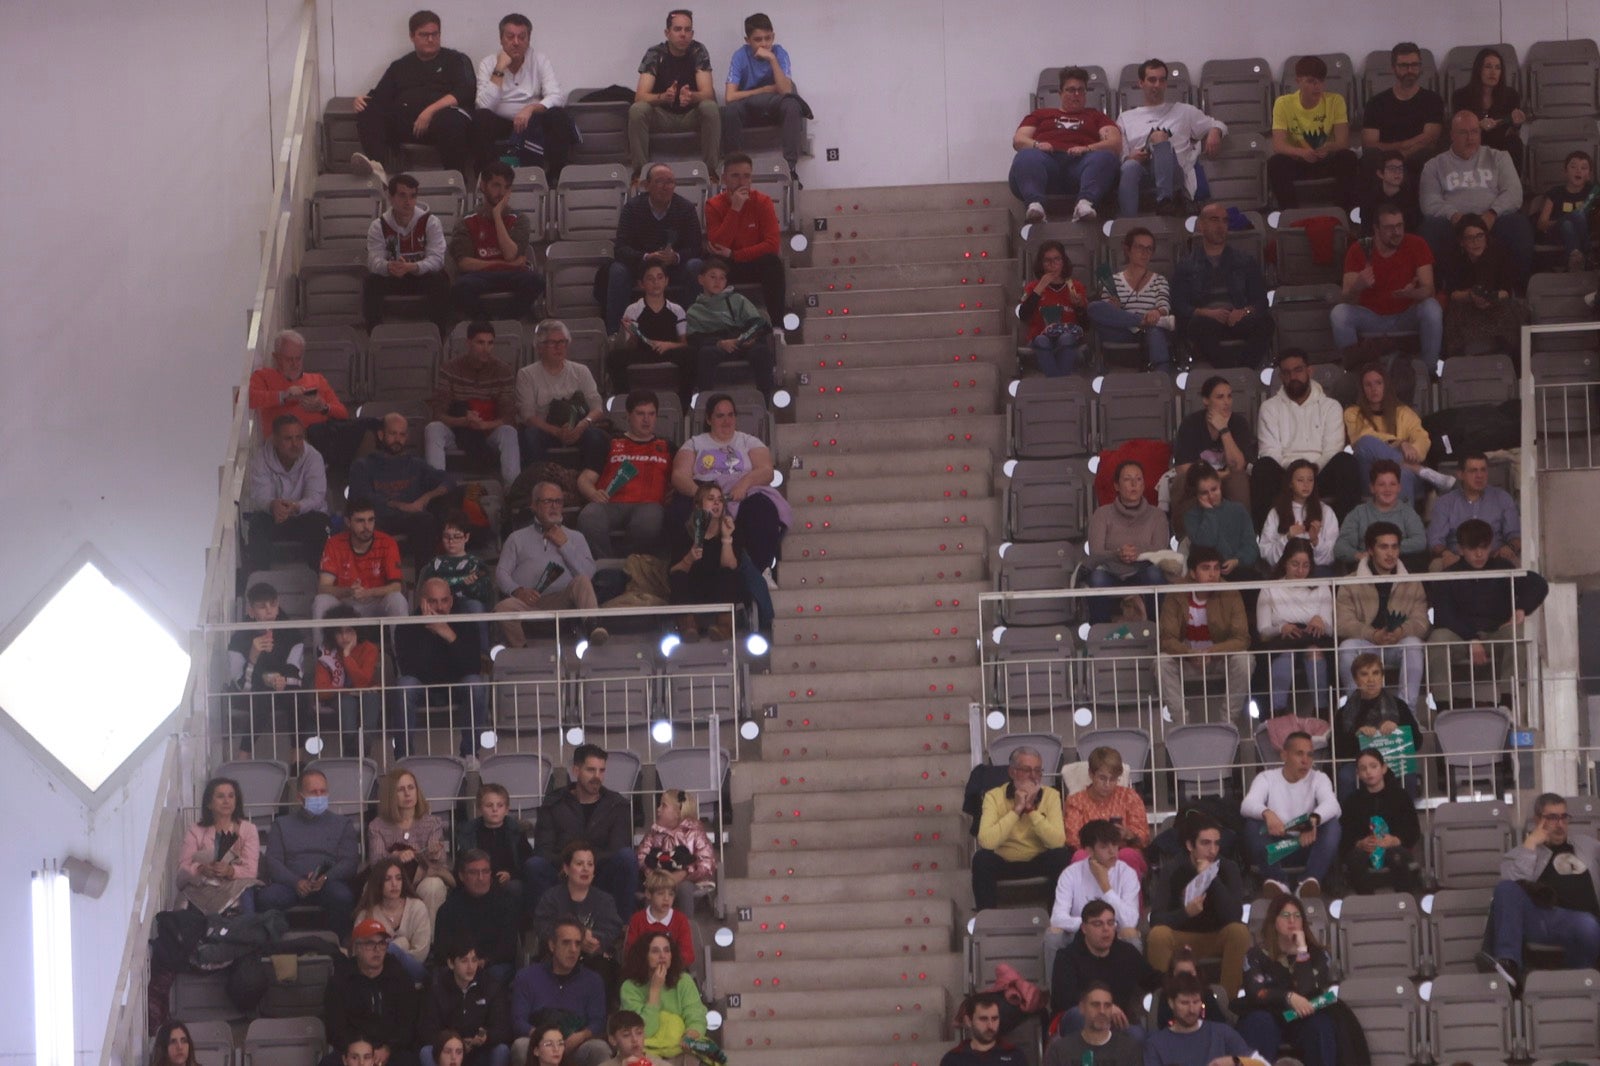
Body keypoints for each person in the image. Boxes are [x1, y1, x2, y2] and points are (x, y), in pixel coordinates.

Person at [1477, 792, 1600, 989]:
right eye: (1551, 818)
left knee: (1589, 924)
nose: (1559, 824)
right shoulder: (1521, 853)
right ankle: (1508, 964)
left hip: (1588, 920)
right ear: (1537, 820)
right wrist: (1531, 845)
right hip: (1545, 919)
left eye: (1563, 817)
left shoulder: (1586, 845)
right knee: (1505, 887)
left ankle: (1582, 983)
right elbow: (1508, 894)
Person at [670, 392, 789, 594]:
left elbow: (766, 470)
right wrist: (702, 494)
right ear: (709, 419)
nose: (727, 421)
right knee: (679, 510)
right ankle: (684, 570)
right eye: (720, 416)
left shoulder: (748, 441)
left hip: (742, 490)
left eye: (731, 415)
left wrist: (744, 484)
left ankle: (760, 570)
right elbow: (679, 475)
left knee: (762, 510)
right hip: (705, 489)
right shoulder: (695, 443)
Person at [1426, 517, 1549, 709]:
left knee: (1517, 634)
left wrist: (1521, 607)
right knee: (1438, 638)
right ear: (1460, 549)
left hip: (1496, 632)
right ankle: (1443, 706)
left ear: (1491, 545)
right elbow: (1444, 615)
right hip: (1461, 636)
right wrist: (1471, 639)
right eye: (1472, 548)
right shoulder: (1449, 574)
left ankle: (1508, 703)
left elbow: (1538, 584)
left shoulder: (1502, 567)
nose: (1479, 554)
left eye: (1483, 547)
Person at [1236, 894, 1368, 1066]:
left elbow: (1309, 990)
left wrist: (1302, 950)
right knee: (1259, 1022)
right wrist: (1289, 997)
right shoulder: (1255, 955)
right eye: (1285, 915)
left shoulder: (1320, 955)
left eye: (1297, 916)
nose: (1292, 920)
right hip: (1269, 1013)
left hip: (1302, 1016)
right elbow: (1256, 992)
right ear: (1273, 921)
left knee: (1321, 1026)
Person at [351, 10, 474, 180]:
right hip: (410, 123)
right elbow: (380, 96)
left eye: (435, 34)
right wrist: (360, 100)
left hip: (445, 121)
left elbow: (466, 90)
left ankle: (455, 179)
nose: (431, 39)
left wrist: (430, 111)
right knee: (368, 108)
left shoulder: (457, 60)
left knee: (450, 121)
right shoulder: (400, 66)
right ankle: (377, 169)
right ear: (412, 36)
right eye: (424, 35)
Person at [1251, 348, 1362, 525]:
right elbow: (1269, 451)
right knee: (1262, 467)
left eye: (1298, 370)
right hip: (1285, 475)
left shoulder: (1331, 406)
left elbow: (1333, 450)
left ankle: (1345, 535)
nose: (1293, 376)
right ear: (1281, 377)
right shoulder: (1269, 407)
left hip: (1320, 473)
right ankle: (1267, 540)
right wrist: (1296, 472)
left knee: (1346, 463)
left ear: (1309, 371)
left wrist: (1309, 472)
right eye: (1286, 372)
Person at [1419, 111, 1532, 282]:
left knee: (1519, 224)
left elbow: (1514, 194)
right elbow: (1429, 202)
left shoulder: (1499, 157)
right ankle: (1441, 291)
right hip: (1454, 222)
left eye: (1474, 132)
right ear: (1452, 135)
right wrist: (1454, 216)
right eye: (1463, 133)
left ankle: (1516, 290)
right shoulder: (1434, 165)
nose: (1470, 138)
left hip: (1492, 219)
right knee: (1430, 228)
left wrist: (1492, 213)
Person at [1147, 814, 1251, 999]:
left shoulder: (1228, 868)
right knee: (1158, 935)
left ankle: (1228, 1004)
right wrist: (1185, 913)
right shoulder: (1173, 868)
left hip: (1216, 936)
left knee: (1239, 932)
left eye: (1216, 843)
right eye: (1205, 843)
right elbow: (1156, 918)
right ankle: (1163, 1001)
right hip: (1181, 937)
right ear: (1190, 845)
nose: (1212, 850)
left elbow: (1235, 915)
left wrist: (1212, 879)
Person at [530, 745, 638, 919]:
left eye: (601, 770)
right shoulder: (554, 803)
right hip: (563, 873)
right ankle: (547, 932)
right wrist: (572, 866)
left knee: (627, 857)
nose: (597, 776)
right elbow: (543, 848)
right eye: (591, 770)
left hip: (601, 873)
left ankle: (623, 928)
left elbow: (618, 848)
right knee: (535, 865)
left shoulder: (617, 805)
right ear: (576, 770)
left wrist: (587, 866)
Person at [494, 481, 605, 648]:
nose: (554, 506)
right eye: (547, 501)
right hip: (528, 602)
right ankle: (522, 650)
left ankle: (594, 629)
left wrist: (565, 545)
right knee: (503, 607)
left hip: (564, 600)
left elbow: (588, 573)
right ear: (534, 506)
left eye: (558, 501)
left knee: (582, 581)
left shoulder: (576, 537)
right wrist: (518, 591)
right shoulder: (516, 538)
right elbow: (501, 573)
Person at [1331, 200, 1442, 364]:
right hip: (1371, 317)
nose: (1396, 232)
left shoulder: (1417, 244)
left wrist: (1412, 293)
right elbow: (1346, 299)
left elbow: (1429, 290)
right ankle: (1354, 370)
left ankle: (1429, 372)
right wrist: (1358, 286)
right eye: (1390, 228)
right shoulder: (1359, 249)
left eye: (1400, 226)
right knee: (1339, 314)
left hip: (1405, 314)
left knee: (1432, 308)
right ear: (1376, 229)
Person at [1335, 521, 1429, 710]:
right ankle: (1358, 711)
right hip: (1367, 643)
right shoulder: (1349, 582)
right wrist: (1372, 634)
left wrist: (1401, 631)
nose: (1390, 553)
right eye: (1383, 547)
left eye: (1394, 547)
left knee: (1413, 644)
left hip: (1397, 642)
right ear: (1370, 550)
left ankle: (1407, 712)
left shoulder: (1411, 581)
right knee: (1346, 648)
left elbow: (1422, 622)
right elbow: (1343, 623)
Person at [1009, 67, 1122, 225]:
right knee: (1025, 155)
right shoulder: (1041, 115)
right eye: (1070, 90)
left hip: (1082, 165)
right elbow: (1019, 140)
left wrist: (1087, 148)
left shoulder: (1096, 116)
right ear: (1060, 92)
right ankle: (1035, 205)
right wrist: (1037, 144)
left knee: (1106, 157)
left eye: (1080, 90)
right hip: (1047, 164)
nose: (1076, 94)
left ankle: (1084, 204)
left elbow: (1114, 144)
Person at [1114, 57, 1225, 217]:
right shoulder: (1126, 117)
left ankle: (1165, 201)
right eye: (1152, 80)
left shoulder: (1184, 111)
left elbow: (1219, 124)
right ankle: (1127, 222)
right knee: (1129, 167)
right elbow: (1122, 157)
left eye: (1161, 80)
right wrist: (1130, 157)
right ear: (1141, 83)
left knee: (1159, 136)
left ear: (1166, 83)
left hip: (1175, 172)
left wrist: (1215, 131)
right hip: (1143, 172)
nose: (1157, 85)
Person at [472, 13, 574, 184]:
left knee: (558, 115)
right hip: (500, 122)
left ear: (528, 39)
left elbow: (557, 96)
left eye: (522, 37)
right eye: (510, 37)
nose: (516, 42)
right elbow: (484, 105)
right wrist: (499, 68)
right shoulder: (488, 63)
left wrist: (531, 108)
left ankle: (555, 177)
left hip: (531, 121)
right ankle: (488, 178)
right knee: (481, 118)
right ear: (501, 39)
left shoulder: (540, 60)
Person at [349, 412, 458, 572]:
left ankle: (426, 580)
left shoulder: (415, 464)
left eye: (402, 435)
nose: (397, 439)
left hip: (413, 520)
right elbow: (362, 499)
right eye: (393, 434)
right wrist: (401, 506)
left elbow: (448, 480)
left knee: (435, 512)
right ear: (381, 435)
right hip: (379, 519)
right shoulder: (363, 466)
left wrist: (426, 498)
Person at [605, 164, 706, 333]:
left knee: (695, 266)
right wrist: (646, 257)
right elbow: (621, 248)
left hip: (673, 267)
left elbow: (696, 248)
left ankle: (693, 329)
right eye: (659, 181)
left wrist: (676, 257)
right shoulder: (632, 208)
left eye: (670, 182)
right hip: (640, 265)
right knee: (617, 271)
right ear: (646, 185)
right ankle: (615, 333)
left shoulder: (686, 208)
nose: (666, 186)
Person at [248, 329, 369, 470]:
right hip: (293, 439)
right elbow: (245, 399)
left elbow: (343, 413)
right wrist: (283, 396)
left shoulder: (317, 379)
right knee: (310, 434)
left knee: (369, 425)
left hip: (325, 435)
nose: (295, 364)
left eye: (298, 358)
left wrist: (323, 408)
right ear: (276, 357)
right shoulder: (265, 376)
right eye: (289, 359)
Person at [1171, 202, 1273, 369]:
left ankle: (1244, 369)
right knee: (1196, 325)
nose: (1220, 226)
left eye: (1224, 221)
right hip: (1207, 320)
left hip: (1238, 316)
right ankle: (1227, 371)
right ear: (1201, 226)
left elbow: (1261, 300)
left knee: (1266, 323)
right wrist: (1205, 312)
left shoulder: (1245, 261)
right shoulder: (1186, 265)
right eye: (1214, 220)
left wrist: (1244, 311)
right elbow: (1178, 303)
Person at [395, 577, 488, 759]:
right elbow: (410, 669)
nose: (439, 607)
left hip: (456, 686)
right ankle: (403, 757)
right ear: (421, 601)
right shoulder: (406, 627)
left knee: (475, 684)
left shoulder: (465, 622)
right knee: (404, 685)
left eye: (444, 601)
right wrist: (431, 631)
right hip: (423, 688)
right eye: (432, 601)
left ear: (451, 601)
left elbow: (473, 667)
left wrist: (449, 635)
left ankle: (470, 754)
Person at [1240, 731, 1341, 897]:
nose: (1305, 761)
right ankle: (1278, 883)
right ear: (1284, 755)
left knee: (1332, 824)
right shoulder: (1267, 777)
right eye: (1299, 754)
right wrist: (1266, 813)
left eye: (1310, 755)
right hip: (1277, 847)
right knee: (1252, 824)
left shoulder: (1319, 778)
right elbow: (1247, 804)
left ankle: (1308, 882)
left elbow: (1333, 805)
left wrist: (1312, 821)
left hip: (1307, 845)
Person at [1157, 544, 1251, 722]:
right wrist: (1190, 654)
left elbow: (1241, 639)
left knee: (1244, 659)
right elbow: (1167, 639)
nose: (1213, 574)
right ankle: (1181, 722)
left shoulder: (1230, 592)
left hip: (1218, 659)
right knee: (1161, 662)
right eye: (1206, 568)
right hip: (1187, 660)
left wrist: (1211, 652)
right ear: (1192, 573)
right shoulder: (1175, 593)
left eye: (1216, 568)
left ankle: (1227, 721)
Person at [259, 769, 359, 933]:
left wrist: (326, 877)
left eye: (323, 791)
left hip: (329, 883)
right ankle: (277, 948)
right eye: (313, 792)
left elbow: (350, 861)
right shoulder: (281, 824)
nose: (319, 796)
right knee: (266, 898)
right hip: (290, 884)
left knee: (343, 897)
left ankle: (338, 947)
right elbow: (273, 861)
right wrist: (295, 882)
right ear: (300, 797)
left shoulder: (343, 824)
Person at [577, 389, 673, 560]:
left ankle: (629, 568)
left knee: (648, 522)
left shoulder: (667, 446)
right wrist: (592, 493)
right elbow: (585, 479)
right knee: (588, 516)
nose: (646, 419)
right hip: (610, 503)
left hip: (649, 505)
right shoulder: (610, 443)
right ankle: (607, 568)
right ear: (628, 416)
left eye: (651, 414)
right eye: (640, 414)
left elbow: (681, 476)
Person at [972, 745, 1070, 911]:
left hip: (1037, 859)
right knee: (981, 859)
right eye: (1026, 770)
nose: (1033, 776)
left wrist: (1031, 811)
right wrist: (1016, 810)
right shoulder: (993, 796)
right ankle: (988, 921)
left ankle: (1057, 920)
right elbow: (986, 842)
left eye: (1038, 771)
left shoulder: (1051, 795)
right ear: (1012, 772)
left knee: (1061, 855)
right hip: (1004, 861)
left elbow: (1058, 841)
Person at [629, 9, 721, 182]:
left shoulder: (698, 51)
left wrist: (692, 96)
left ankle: (710, 171)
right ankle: (640, 173)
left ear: (692, 33)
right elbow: (640, 96)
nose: (683, 34)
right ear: (667, 33)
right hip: (662, 115)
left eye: (687, 30)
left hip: (690, 114)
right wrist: (663, 97)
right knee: (637, 110)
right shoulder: (655, 54)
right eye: (678, 29)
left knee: (710, 107)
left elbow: (708, 93)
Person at [426, 320, 521, 486]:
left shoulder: (503, 370)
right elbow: (438, 413)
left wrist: (484, 425)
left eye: (490, 343)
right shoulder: (450, 369)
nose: (486, 349)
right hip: (458, 429)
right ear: (469, 343)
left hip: (489, 430)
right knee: (433, 429)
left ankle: (512, 490)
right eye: (480, 343)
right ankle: (437, 488)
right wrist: (463, 421)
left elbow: (509, 416)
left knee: (509, 432)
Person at [1049, 900, 1161, 1038]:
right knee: (1077, 1016)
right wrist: (1104, 1009)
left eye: (1110, 923)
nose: (1106, 929)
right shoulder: (1067, 957)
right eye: (1098, 924)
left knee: (1137, 1035)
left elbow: (1153, 979)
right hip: (1081, 1019)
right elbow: (1063, 999)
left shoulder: (1127, 953)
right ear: (1084, 928)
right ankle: (1086, 1060)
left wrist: (1180, 970)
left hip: (1116, 1023)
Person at [1044, 819, 1142, 976]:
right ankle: (1055, 995)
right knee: (1053, 934)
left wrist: (1106, 888)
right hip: (1079, 936)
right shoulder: (1071, 873)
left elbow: (1130, 921)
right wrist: (1092, 926)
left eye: (1115, 845)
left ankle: (1133, 998)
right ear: (1089, 851)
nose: (1112, 852)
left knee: (1130, 934)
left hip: (1113, 935)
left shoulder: (1127, 873)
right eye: (1104, 847)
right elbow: (1057, 918)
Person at [509, 918, 613, 1066]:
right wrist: (545, 1039)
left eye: (578, 943)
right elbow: (518, 1020)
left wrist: (581, 1036)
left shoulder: (593, 980)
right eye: (566, 942)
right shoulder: (527, 977)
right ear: (552, 945)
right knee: (521, 1046)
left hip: (576, 1045)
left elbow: (598, 1021)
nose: (573, 949)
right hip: (540, 1044)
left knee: (599, 1049)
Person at [449, 161, 545, 319]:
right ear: (482, 186)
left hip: (512, 275)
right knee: (462, 287)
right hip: (480, 276)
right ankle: (483, 322)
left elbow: (509, 254)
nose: (501, 192)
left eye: (506, 187)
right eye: (496, 185)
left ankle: (508, 320)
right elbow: (464, 263)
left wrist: (497, 216)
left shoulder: (519, 219)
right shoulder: (466, 221)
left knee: (535, 281)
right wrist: (505, 265)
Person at [1342, 362, 1446, 507]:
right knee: (1365, 442)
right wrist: (1401, 443)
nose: (1374, 389)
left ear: (1386, 385)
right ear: (1362, 389)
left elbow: (1421, 437)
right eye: (1368, 385)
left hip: (1406, 480)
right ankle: (1419, 470)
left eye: (1378, 383)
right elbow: (1361, 437)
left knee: (1402, 473)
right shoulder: (1353, 413)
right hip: (1371, 479)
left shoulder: (1403, 412)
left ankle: (1405, 525)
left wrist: (1414, 450)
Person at [323, 918, 422, 1066]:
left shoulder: (399, 978)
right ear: (357, 947)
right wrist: (360, 1051)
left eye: (382, 944)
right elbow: (335, 1027)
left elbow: (408, 1023)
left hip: (390, 1050)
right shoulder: (340, 981)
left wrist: (388, 1048)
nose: (377, 950)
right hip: (353, 1051)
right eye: (370, 944)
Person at [721, 15, 807, 184]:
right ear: (748, 40)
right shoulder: (740, 56)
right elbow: (730, 97)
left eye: (768, 38)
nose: (764, 44)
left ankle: (790, 168)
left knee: (792, 104)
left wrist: (772, 59)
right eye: (758, 40)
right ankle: (734, 169)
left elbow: (785, 90)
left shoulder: (779, 53)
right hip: (749, 108)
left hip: (774, 106)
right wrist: (763, 90)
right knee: (730, 111)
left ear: (773, 37)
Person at [1081, 460, 1169, 623]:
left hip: (1142, 570)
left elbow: (1161, 549)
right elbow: (1095, 553)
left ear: (1143, 484)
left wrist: (1138, 553)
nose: (1134, 484)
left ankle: (1156, 630)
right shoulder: (1102, 514)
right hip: (1110, 571)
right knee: (1097, 579)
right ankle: (1101, 635)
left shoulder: (1157, 515)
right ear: (1117, 486)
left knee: (1156, 575)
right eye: (1128, 479)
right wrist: (1117, 554)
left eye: (1139, 479)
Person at [226, 582, 307, 757]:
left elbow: (297, 674)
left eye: (273, 604)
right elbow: (241, 687)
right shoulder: (238, 639)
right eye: (262, 607)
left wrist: (282, 679)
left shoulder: (292, 633)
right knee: (261, 696)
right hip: (252, 693)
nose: (269, 611)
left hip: (284, 688)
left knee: (299, 696)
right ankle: (242, 757)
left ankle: (297, 760)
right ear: (251, 610)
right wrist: (253, 656)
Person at [1268, 55, 1359, 210]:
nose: (1317, 86)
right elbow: (1278, 145)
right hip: (1298, 161)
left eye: (1321, 81)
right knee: (1276, 163)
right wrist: (1301, 152)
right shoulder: (1283, 103)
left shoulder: (1335, 101)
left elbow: (1343, 142)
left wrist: (1329, 147)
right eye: (1311, 81)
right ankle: (1291, 215)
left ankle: (1342, 213)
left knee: (1348, 158)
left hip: (1325, 158)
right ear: (1298, 81)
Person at [515, 319, 609, 467]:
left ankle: (590, 481)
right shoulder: (526, 374)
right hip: (545, 430)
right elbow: (528, 416)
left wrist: (582, 425)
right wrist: (557, 432)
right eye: (553, 343)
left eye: (563, 342)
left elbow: (597, 407)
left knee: (596, 437)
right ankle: (538, 481)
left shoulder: (581, 371)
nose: (559, 347)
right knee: (530, 436)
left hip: (578, 427)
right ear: (539, 347)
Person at [1257, 538, 1334, 717]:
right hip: (1281, 642)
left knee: (1315, 653)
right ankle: (1278, 712)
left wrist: (1321, 623)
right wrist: (1281, 628)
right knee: (1286, 655)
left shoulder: (1321, 587)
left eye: (1306, 565)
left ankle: (1321, 712)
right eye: (1295, 564)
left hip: (1313, 640)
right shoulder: (1269, 588)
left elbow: (1331, 630)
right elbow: (1263, 631)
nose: (1300, 571)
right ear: (1285, 563)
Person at [704, 152, 785, 322]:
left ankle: (778, 326)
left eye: (746, 176)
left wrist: (735, 254)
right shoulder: (713, 205)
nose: (741, 182)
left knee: (773, 262)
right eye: (735, 176)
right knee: (712, 263)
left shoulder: (763, 202)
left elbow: (772, 245)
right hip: (727, 264)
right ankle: (714, 326)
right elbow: (717, 245)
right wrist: (735, 209)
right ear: (724, 178)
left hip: (752, 261)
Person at [243, 414, 330, 572]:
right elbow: (260, 496)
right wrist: (272, 505)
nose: (295, 444)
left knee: (320, 525)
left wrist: (297, 506)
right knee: (257, 525)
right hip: (275, 515)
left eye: (299, 437)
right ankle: (261, 585)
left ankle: (320, 583)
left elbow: (316, 497)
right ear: (275, 440)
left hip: (306, 514)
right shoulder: (261, 459)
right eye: (288, 439)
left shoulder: (314, 457)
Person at [365, 172, 450, 333]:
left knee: (440, 279)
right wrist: (388, 266)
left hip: (420, 276)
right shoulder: (379, 226)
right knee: (371, 282)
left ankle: (439, 335)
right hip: (394, 276)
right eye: (402, 195)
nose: (408, 202)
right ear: (390, 197)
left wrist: (413, 267)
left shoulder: (430, 222)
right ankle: (375, 335)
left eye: (412, 196)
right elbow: (373, 260)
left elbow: (438, 259)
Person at [1438, 212, 1529, 361]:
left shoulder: (1499, 253)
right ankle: (1456, 364)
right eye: (1470, 238)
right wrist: (1471, 296)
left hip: (1494, 302)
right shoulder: (1453, 257)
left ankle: (1513, 364)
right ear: (1462, 241)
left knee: (1513, 311)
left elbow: (1506, 290)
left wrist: (1490, 297)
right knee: (1454, 315)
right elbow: (1452, 293)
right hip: (1465, 304)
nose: (1476, 242)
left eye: (1480, 236)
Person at [368, 765, 453, 921]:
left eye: (411, 787)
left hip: (423, 877)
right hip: (392, 878)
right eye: (400, 790)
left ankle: (429, 942)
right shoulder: (377, 826)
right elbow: (375, 863)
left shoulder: (433, 822)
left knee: (433, 886)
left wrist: (435, 853)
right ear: (390, 795)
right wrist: (396, 856)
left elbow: (440, 864)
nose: (407, 793)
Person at [1333, 650, 1423, 795]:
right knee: (1346, 777)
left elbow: (1418, 742)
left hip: (1392, 762)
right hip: (1358, 764)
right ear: (1356, 679)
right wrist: (1357, 736)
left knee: (1408, 775)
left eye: (1375, 673)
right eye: (1364, 674)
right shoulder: (1344, 712)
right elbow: (1336, 750)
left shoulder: (1399, 706)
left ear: (1382, 677)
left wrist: (1398, 730)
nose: (1371, 680)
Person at [1171, 377, 1255, 530]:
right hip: (1199, 478)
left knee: (1239, 480)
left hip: (1228, 477)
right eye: (1220, 397)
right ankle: (1184, 541)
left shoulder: (1239, 423)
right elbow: (1183, 469)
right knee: (1181, 481)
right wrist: (1219, 475)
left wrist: (1224, 429)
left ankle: (1241, 535)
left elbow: (1237, 466)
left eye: (1229, 396)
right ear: (1206, 400)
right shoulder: (1191, 423)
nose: (1226, 402)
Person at [685, 257, 775, 399]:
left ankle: (765, 402)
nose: (717, 281)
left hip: (742, 340)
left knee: (761, 351)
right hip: (716, 344)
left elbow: (758, 323)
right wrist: (719, 343)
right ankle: (705, 400)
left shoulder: (737, 299)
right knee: (705, 354)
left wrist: (750, 337)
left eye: (722, 278)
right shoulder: (694, 310)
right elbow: (694, 339)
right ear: (701, 280)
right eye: (712, 277)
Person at [1338, 748, 1425, 893]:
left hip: (1394, 848)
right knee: (1355, 859)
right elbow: (1346, 834)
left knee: (1396, 857)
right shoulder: (1352, 801)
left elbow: (1413, 829)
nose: (1368, 772)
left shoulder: (1400, 796)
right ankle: (1366, 905)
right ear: (1358, 774)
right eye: (1363, 768)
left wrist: (1394, 840)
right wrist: (1360, 843)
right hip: (1364, 851)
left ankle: (1404, 903)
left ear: (1383, 768)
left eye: (1373, 766)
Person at [1085, 228, 1173, 370]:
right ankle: (1140, 320)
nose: (1145, 253)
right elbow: (1107, 312)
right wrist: (1116, 310)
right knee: (1094, 307)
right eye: (1140, 247)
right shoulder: (1112, 280)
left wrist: (1157, 312)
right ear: (1128, 249)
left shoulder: (1159, 280)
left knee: (1155, 332)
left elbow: (1164, 307)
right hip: (1122, 330)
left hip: (1149, 331)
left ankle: (1162, 379)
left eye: (1149, 249)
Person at [617, 931, 708, 1066]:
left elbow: (696, 1017)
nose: (662, 956)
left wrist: (690, 1034)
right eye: (655, 951)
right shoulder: (629, 987)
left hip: (680, 1049)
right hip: (644, 1052)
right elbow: (645, 1031)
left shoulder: (684, 981)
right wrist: (655, 990)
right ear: (644, 956)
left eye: (667, 951)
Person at [533, 841, 625, 973]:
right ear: (566, 868)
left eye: (590, 864)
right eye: (579, 864)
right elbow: (542, 928)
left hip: (593, 961)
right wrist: (578, 939)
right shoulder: (551, 897)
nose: (585, 869)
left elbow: (612, 930)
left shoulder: (605, 900)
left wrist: (595, 940)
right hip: (557, 959)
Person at [311, 497, 407, 622]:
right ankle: (320, 643)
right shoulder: (334, 543)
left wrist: (368, 592)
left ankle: (400, 642)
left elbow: (396, 587)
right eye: (360, 521)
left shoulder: (388, 542)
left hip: (377, 601)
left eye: (370, 520)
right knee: (320, 601)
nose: (367, 526)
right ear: (348, 522)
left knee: (397, 599)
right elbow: (323, 588)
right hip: (345, 602)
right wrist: (349, 591)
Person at [667, 483, 742, 641]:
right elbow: (674, 571)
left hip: (717, 590)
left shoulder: (730, 529)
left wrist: (727, 538)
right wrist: (689, 558)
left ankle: (724, 627)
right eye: (711, 499)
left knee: (728, 574)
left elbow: (731, 567)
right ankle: (688, 627)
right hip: (693, 589)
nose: (717, 503)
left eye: (720, 500)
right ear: (698, 504)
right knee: (678, 577)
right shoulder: (684, 533)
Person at [1141, 971, 1266, 1066]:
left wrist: (1236, 1062)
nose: (1192, 1009)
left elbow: (1262, 1064)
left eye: (1196, 1002)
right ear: (1171, 1003)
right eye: (1184, 1003)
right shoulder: (1155, 1044)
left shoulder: (1223, 1033)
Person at [420, 940, 513, 1066]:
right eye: (464, 961)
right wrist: (456, 1042)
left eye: (474, 960)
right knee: (426, 1052)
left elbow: (503, 1028)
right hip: (449, 1051)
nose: (470, 967)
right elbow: (427, 1031)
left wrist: (486, 1037)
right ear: (451, 963)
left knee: (501, 1050)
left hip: (480, 1051)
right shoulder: (437, 988)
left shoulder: (491, 986)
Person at [1063, 746, 1151, 877]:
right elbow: (1073, 839)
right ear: (1091, 774)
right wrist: (1100, 848)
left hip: (1124, 851)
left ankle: (1129, 897)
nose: (1108, 784)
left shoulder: (1129, 797)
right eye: (1102, 778)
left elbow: (1144, 836)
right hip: (1091, 853)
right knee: (1080, 857)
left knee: (1128, 855)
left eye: (1113, 779)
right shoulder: (1076, 801)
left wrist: (1128, 834)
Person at [434, 850, 520, 983]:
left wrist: (484, 961)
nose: (481, 878)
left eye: (485, 872)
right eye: (473, 873)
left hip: (493, 965)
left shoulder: (505, 904)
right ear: (462, 876)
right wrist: (464, 963)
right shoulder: (449, 908)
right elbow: (441, 950)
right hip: (459, 965)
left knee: (494, 975)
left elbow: (508, 947)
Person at [178, 776, 260, 914]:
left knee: (246, 890)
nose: (227, 801)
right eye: (220, 796)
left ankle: (247, 931)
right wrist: (201, 869)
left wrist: (230, 871)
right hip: (204, 885)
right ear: (209, 804)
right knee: (190, 895)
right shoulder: (195, 830)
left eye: (231, 796)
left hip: (236, 885)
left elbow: (251, 870)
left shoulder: (248, 829)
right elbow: (182, 869)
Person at [1360, 43, 1444, 178]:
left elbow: (1429, 139)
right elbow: (1369, 143)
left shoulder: (1432, 100)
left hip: (1418, 157)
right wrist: (1400, 148)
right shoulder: (1376, 103)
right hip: (1384, 159)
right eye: (1404, 66)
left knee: (1426, 156)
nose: (1410, 70)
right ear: (1394, 68)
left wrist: (1401, 153)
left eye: (1415, 65)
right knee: (1370, 157)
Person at [1427, 452, 1522, 567]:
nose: (1479, 475)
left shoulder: (1503, 498)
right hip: (1457, 559)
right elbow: (1435, 540)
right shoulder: (1445, 502)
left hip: (1495, 557)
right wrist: (1445, 553)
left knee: (1517, 564)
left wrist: (1510, 547)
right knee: (1436, 566)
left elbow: (1516, 535)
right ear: (1460, 474)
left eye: (1483, 470)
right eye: (1473, 471)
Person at [313, 605, 384, 757]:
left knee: (372, 698)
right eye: (339, 632)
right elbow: (321, 691)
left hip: (366, 693)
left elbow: (363, 682)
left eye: (349, 631)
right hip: (340, 697)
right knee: (346, 702)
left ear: (357, 630)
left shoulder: (369, 648)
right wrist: (346, 691)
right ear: (332, 634)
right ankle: (352, 756)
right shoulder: (326, 652)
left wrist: (346, 656)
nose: (345, 637)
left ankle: (365, 755)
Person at [611, 263, 690, 392]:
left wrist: (668, 345)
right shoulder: (633, 309)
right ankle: (625, 401)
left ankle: (684, 404)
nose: (656, 282)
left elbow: (684, 343)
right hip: (643, 352)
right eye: (650, 278)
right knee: (615, 358)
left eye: (659, 277)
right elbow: (631, 346)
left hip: (668, 352)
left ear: (666, 281)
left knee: (689, 354)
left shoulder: (677, 309)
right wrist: (631, 335)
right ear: (641, 284)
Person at [636, 788, 716, 916]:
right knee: (653, 890)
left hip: (688, 881)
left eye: (664, 805)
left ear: (679, 812)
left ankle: (686, 927)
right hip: (659, 879)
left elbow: (706, 862)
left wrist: (685, 872)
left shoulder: (695, 833)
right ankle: (651, 929)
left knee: (684, 889)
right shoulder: (655, 833)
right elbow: (641, 856)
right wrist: (652, 873)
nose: (658, 809)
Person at [458, 782, 535, 914]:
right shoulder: (469, 833)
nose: (495, 810)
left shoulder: (516, 831)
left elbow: (525, 861)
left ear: (506, 809)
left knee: (515, 888)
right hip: (480, 878)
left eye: (500, 805)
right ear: (480, 808)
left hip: (508, 881)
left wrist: (511, 875)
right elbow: (462, 863)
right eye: (489, 805)